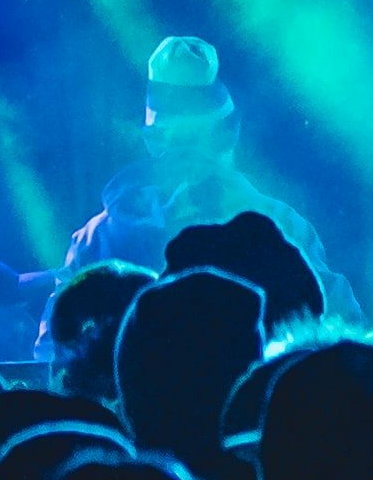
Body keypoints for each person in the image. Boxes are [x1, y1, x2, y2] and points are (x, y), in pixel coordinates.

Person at [61, 38, 337, 299]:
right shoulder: (284, 225)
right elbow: (338, 331)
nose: (186, 158)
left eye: (192, 142)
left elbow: (56, 342)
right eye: (179, 144)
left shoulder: (97, 238)